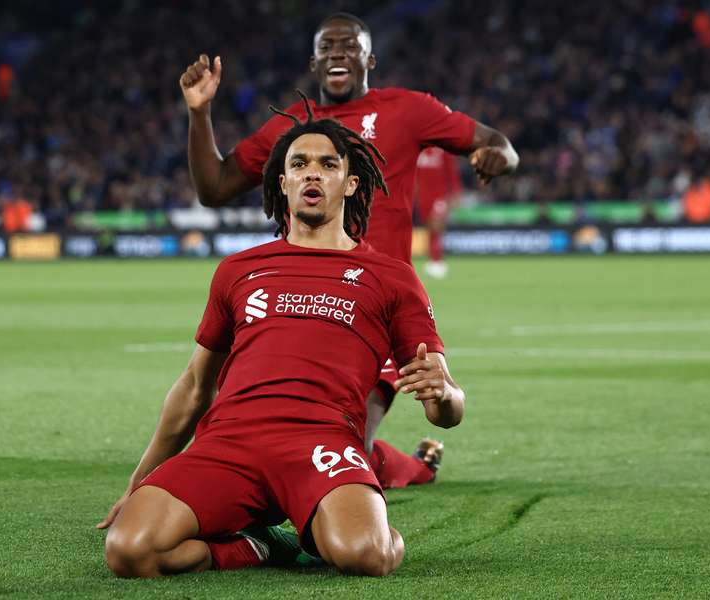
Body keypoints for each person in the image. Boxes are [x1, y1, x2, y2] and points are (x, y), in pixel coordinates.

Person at [98, 99, 465, 578]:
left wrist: (443, 395)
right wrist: (139, 482)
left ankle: (329, 520)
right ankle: (264, 545)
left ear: (351, 183)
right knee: (128, 551)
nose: (313, 174)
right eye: (299, 164)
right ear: (282, 182)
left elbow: (448, 410)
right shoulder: (238, 269)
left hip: (321, 442)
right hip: (228, 442)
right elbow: (194, 387)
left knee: (366, 556)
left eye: (328, 164)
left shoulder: (392, 277)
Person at [179, 12, 515, 488]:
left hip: (373, 307)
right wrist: (199, 113)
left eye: (349, 45)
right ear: (313, 64)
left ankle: (405, 467)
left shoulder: (408, 109)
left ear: (368, 60)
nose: (337, 52)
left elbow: (494, 141)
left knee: (338, 453)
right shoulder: (291, 129)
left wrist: (499, 155)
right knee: (271, 435)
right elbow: (214, 188)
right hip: (296, 304)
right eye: (327, 47)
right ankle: (400, 463)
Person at [414, 146, 462, 279]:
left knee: (437, 225)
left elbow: (452, 173)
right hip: (423, 198)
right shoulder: (419, 151)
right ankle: (432, 260)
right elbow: (414, 175)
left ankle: (437, 261)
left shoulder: (443, 151)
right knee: (430, 227)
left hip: (439, 196)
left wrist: (455, 193)